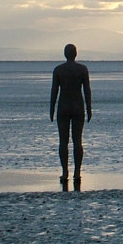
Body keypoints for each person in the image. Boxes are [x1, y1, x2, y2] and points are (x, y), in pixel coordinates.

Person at [49, 44, 92, 186]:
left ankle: (65, 171)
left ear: (65, 54)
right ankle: (77, 172)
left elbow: (54, 91)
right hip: (78, 107)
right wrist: (89, 108)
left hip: (63, 107)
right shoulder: (82, 70)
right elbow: (87, 91)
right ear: (76, 54)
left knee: (63, 141)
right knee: (77, 141)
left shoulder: (59, 70)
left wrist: (51, 108)